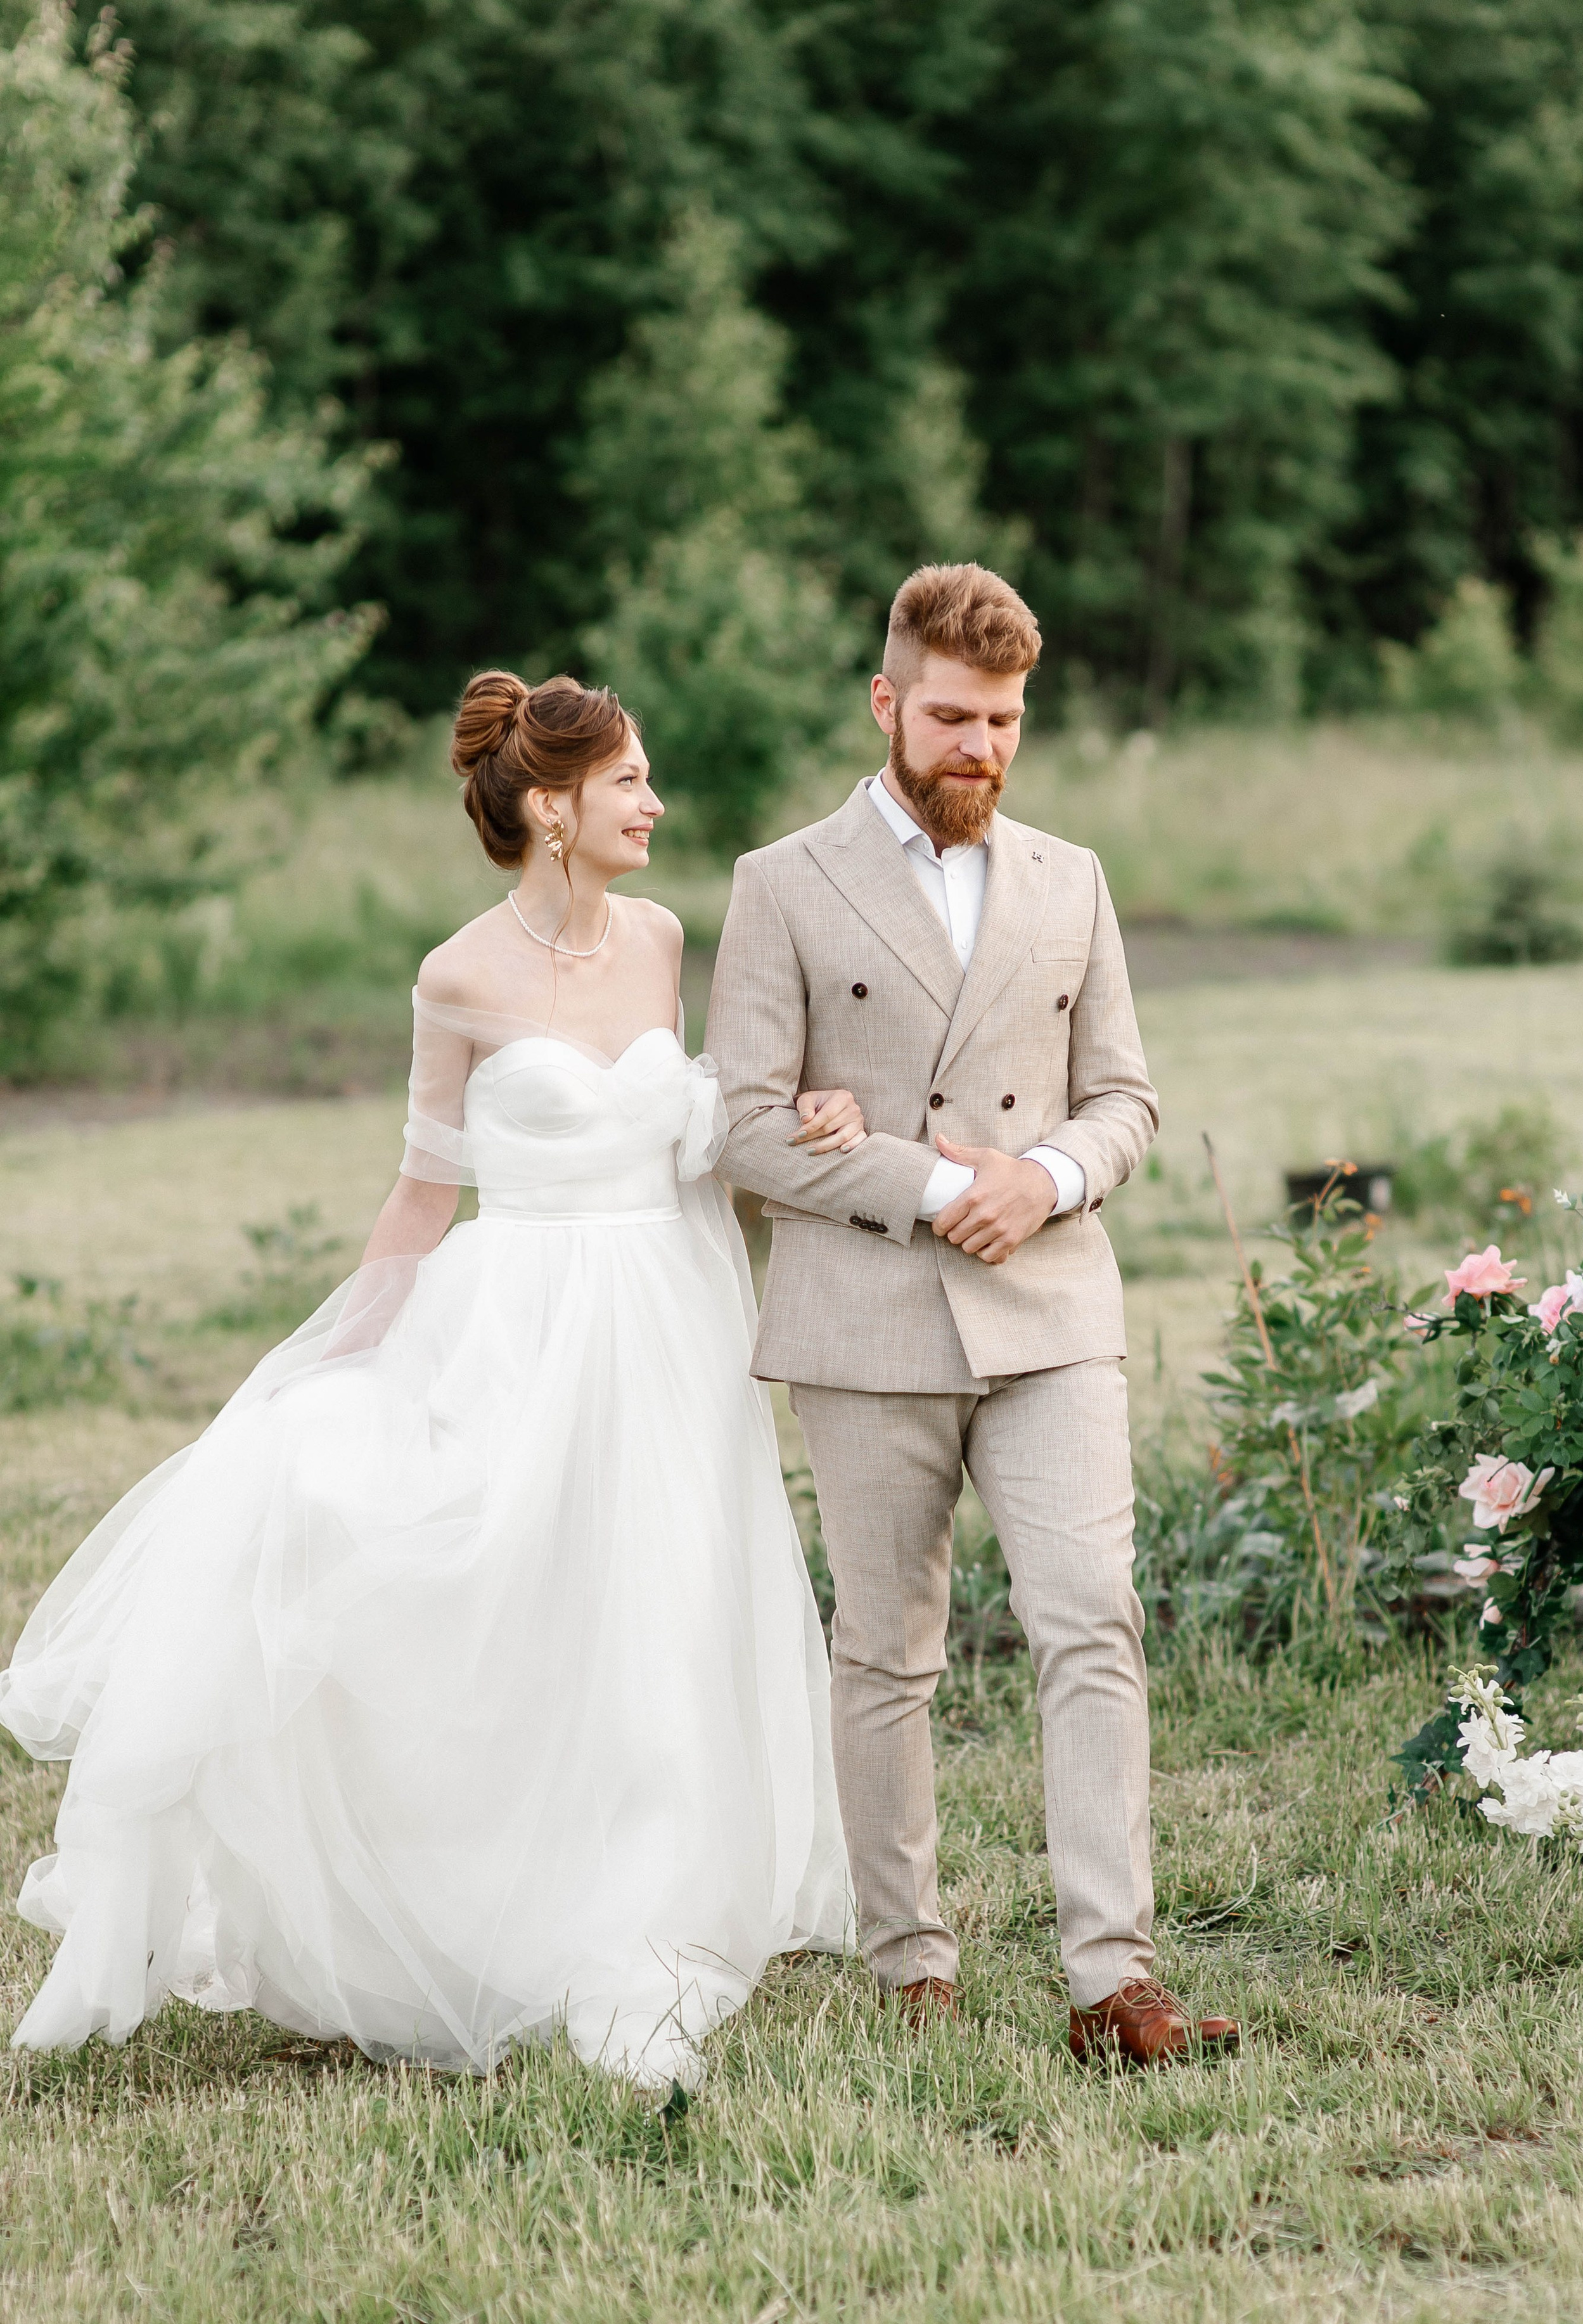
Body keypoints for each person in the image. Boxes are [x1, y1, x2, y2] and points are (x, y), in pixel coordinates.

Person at [0, 672, 852, 2088]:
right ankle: (460, 1909)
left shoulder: (656, 937)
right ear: (547, 808)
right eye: (629, 780)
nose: (654, 802)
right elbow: (418, 1198)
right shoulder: (455, 977)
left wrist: (788, 1113)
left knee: (655, 1612)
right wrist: (322, 1360)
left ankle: (640, 1911)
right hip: (516, 1320)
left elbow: (686, 1127)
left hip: (662, 1327)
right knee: (488, 1598)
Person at [705, 562, 1239, 2067]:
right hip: (866, 1312)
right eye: (950, 716)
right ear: (886, 703)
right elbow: (741, 1124)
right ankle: (909, 1959)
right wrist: (937, 1190)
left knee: (1093, 1624)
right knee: (888, 1648)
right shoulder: (778, 882)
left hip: (1050, 1309)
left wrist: (1049, 1173)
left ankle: (1110, 1975)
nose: (979, 749)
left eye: (1003, 721)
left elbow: (1125, 1095)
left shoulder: (1069, 877)